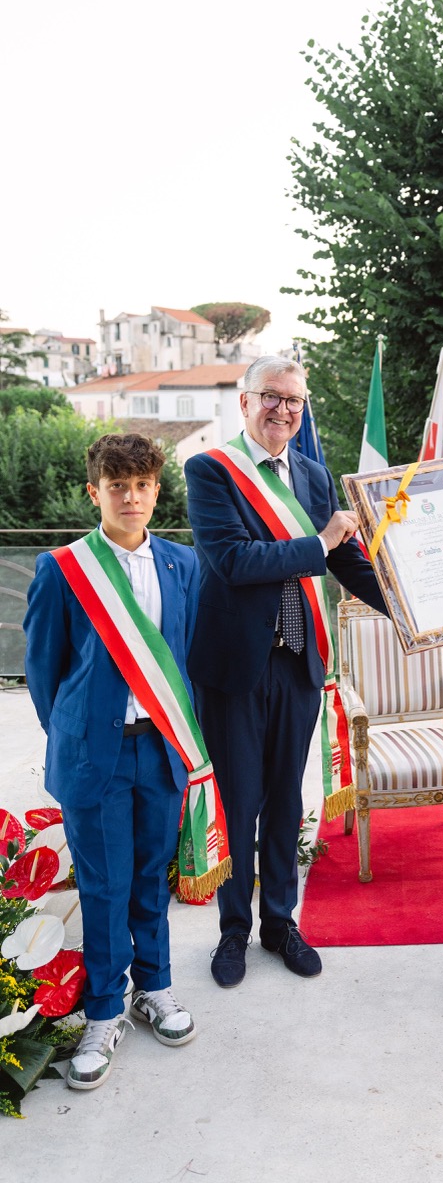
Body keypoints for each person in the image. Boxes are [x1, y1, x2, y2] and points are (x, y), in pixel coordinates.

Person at [184, 355, 386, 989]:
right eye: (271, 397)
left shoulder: (313, 474)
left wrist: (415, 609)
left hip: (299, 664)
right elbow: (232, 561)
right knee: (240, 803)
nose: (284, 410)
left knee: (286, 804)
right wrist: (320, 541)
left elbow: (348, 562)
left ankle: (279, 922)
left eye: (294, 401)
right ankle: (232, 933)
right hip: (236, 667)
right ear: (244, 403)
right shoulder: (210, 471)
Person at [24, 433, 201, 1091]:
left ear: (157, 492)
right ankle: (102, 1012)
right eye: (118, 486)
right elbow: (44, 674)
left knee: (152, 879)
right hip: (94, 756)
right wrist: (78, 734)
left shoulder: (184, 566)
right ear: (94, 492)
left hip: (161, 748)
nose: (131, 497)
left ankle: (155, 987)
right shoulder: (63, 568)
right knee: (102, 886)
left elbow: (184, 659)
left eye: (143, 485)